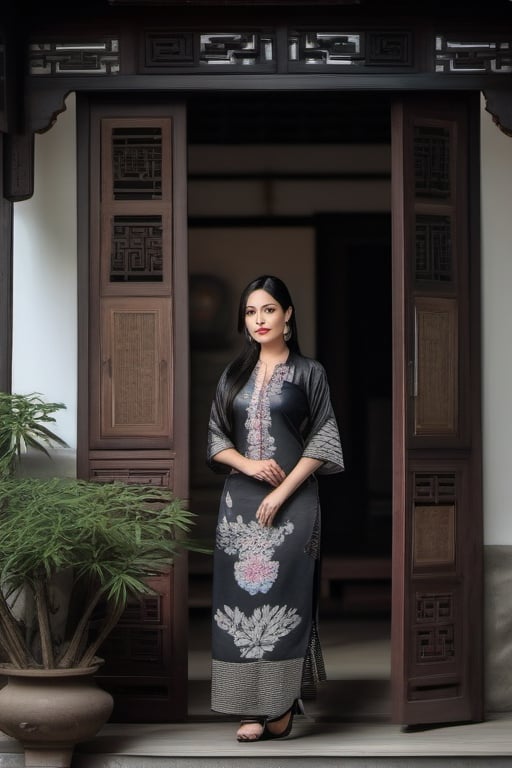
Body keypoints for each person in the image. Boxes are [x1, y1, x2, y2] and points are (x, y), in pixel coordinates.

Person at [207, 275, 344, 742]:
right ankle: (250, 707)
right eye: (250, 312)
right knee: (239, 603)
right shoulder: (233, 375)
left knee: (285, 600)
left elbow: (323, 438)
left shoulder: (311, 373)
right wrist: (247, 464)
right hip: (238, 507)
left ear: (288, 315)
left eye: (268, 309)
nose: (259, 320)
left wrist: (282, 490)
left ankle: (281, 705)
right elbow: (214, 439)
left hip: (294, 504)